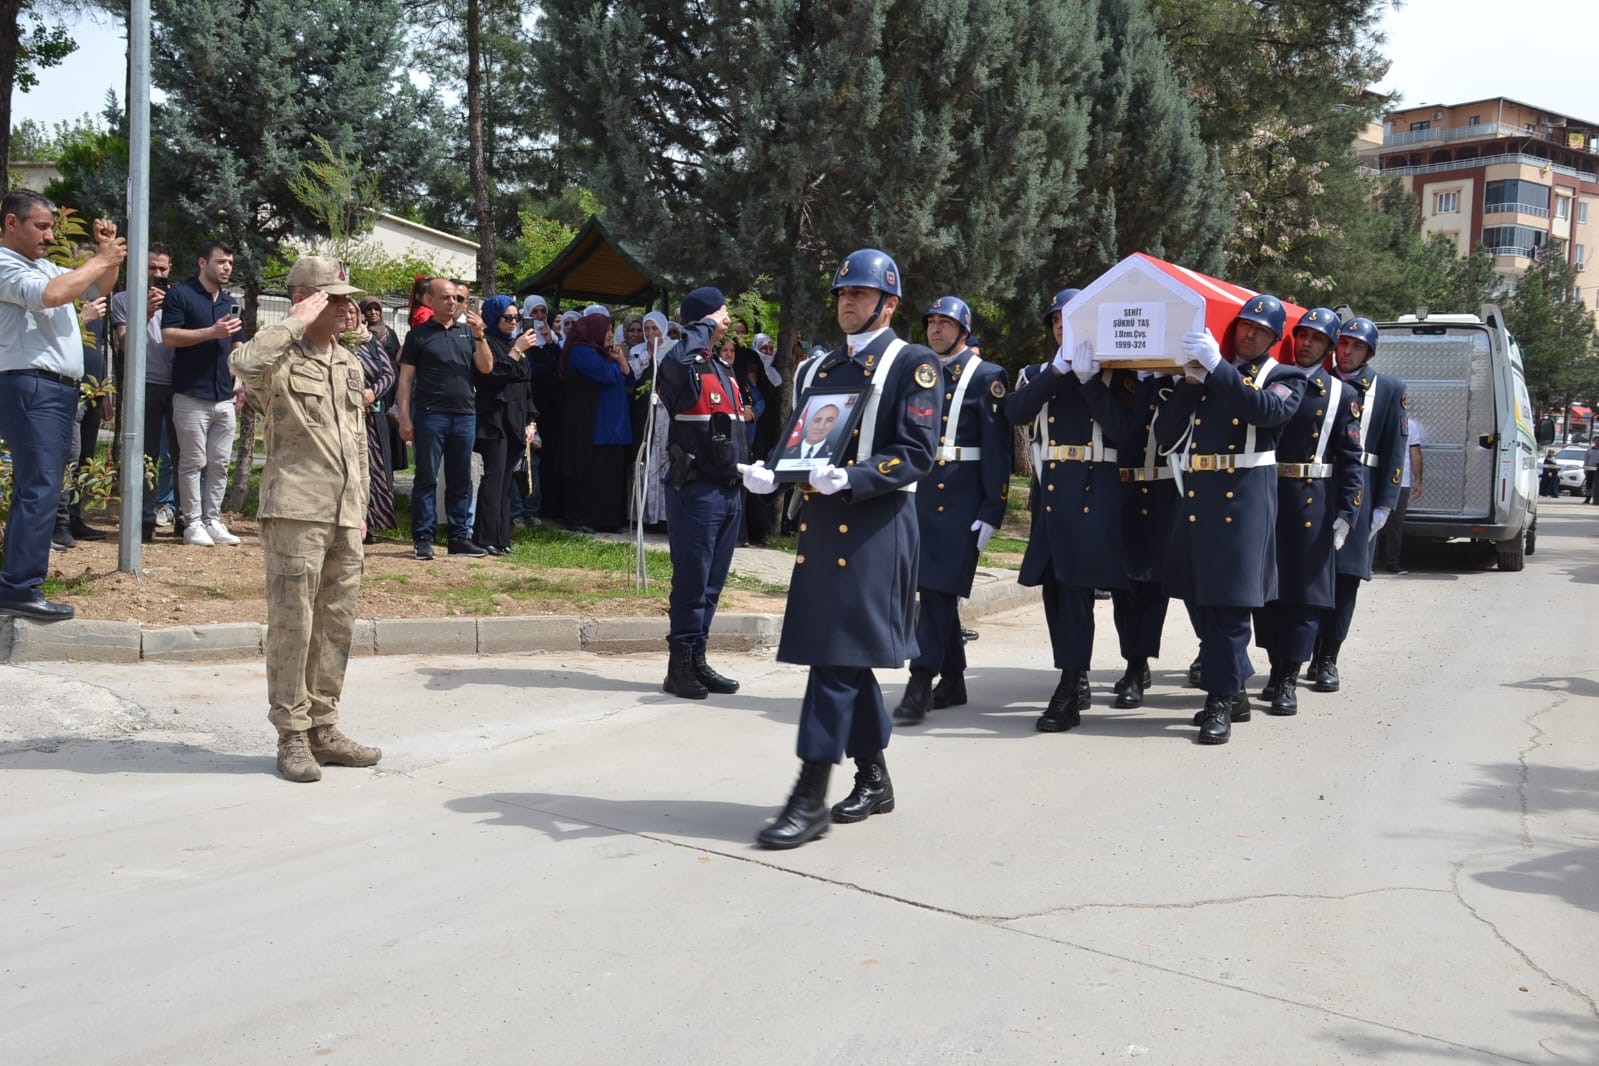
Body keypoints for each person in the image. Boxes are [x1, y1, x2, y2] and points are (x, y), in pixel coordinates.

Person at [738, 247, 940, 850]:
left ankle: (809, 794)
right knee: (844, 658)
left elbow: (917, 453)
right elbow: (805, 438)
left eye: (859, 293)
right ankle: (874, 777)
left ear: (889, 302)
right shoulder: (819, 369)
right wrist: (774, 472)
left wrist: (856, 477)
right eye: (842, 294)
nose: (846, 302)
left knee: (832, 660)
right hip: (824, 525)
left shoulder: (913, 362)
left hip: (878, 527)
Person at [229, 255, 382, 783]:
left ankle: (324, 725)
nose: (348, 306)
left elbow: (356, 439)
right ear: (305, 299)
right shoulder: (277, 360)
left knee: (336, 622)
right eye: (334, 296)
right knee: (294, 622)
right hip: (296, 507)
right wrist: (294, 320)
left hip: (343, 511)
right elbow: (242, 364)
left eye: (346, 296)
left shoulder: (348, 361)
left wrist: (361, 505)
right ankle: (291, 734)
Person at [1154, 295, 1307, 744]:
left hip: (1243, 498)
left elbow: (1267, 412)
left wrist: (1216, 368)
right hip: (1200, 494)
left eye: (1261, 330)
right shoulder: (1209, 372)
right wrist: (1189, 383)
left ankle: (1219, 698)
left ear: (1274, 339)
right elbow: (1166, 434)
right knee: (1199, 596)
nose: (1249, 334)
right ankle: (1234, 680)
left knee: (1231, 604)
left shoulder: (1285, 377)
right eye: (1245, 325)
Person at [1005, 287, 1138, 730]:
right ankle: (1073, 672)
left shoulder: (1115, 374)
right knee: (1055, 588)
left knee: (1077, 588)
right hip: (1052, 489)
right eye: (1057, 321)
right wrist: (1057, 372)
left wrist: (1086, 382)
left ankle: (1069, 686)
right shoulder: (1036, 373)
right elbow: (1016, 412)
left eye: (1072, 319)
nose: (1064, 327)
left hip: (1093, 488)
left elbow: (1124, 433)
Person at [0, 190, 124, 621]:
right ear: (12, 223)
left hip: (53, 389)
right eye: (41, 226)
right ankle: (19, 587)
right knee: (39, 488)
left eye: (52, 225)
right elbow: (53, 295)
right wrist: (97, 260)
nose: (50, 235)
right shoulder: (5, 263)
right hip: (31, 386)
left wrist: (109, 259)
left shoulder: (43, 265)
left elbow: (95, 286)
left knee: (42, 486)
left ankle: (19, 583)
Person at [892, 295, 1010, 724]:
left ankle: (920, 680)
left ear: (963, 329)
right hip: (920, 495)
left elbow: (998, 450)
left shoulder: (987, 376)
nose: (935, 330)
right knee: (932, 591)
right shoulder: (919, 371)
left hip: (961, 500)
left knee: (939, 592)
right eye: (931, 323)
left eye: (945, 323)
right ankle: (955, 679)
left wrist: (994, 507)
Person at [1251, 308, 1363, 716]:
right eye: (1302, 335)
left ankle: (1287, 679)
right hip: (1266, 493)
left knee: (1303, 597)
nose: (1306, 343)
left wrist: (1348, 512)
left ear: (1330, 347)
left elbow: (1352, 459)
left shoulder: (1340, 395)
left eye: (1317, 338)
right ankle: (1275, 665)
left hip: (1313, 499)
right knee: (1266, 594)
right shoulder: (1272, 379)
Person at [656, 288, 748, 699]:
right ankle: (678, 667)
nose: (727, 320)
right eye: (721, 313)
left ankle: (697, 657)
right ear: (701, 321)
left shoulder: (721, 369)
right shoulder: (683, 364)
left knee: (712, 583)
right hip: (696, 489)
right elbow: (675, 364)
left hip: (728, 489)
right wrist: (702, 327)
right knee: (692, 580)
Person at [1307, 317, 1407, 694]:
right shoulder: (1317, 380)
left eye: (1357, 347)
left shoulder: (1389, 389)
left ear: (1369, 353)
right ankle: (1300, 653)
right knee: (1309, 574)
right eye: (1344, 344)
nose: (1347, 352)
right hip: (1317, 485)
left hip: (1360, 492)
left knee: (1345, 580)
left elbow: (1395, 449)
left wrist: (1385, 503)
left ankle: (1328, 657)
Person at [396, 277, 493, 559]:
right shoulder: (418, 335)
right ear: (431, 301)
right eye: (446, 298)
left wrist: (480, 335)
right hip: (430, 415)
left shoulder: (469, 333)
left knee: (461, 479)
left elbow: (486, 368)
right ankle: (423, 538)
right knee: (426, 477)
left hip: (465, 416)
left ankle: (459, 537)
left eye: (457, 298)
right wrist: (404, 416)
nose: (453, 302)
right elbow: (406, 379)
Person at [161, 239, 246, 547]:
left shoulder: (230, 302)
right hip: (190, 395)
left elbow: (238, 343)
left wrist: (241, 381)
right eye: (221, 261)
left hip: (224, 397)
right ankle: (191, 523)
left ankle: (213, 520)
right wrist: (211, 332)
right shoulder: (180, 296)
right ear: (202, 262)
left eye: (230, 263)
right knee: (192, 461)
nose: (226, 267)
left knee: (220, 462)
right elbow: (169, 336)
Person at [1108, 364, 1182, 710]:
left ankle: (1137, 666)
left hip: (1161, 488)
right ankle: (1133, 658)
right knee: (1121, 584)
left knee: (1150, 584)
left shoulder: (1174, 380)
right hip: (1116, 487)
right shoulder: (1109, 378)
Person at [112, 244, 175, 542]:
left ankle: (185, 518)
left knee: (183, 456)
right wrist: (147, 311)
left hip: (179, 385)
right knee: (145, 455)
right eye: (152, 268)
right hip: (144, 385)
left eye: (163, 269)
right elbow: (125, 344)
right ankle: (143, 520)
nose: (157, 274)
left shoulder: (179, 300)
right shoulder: (123, 301)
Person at [472, 294, 537, 555]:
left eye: (516, 318)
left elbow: (526, 386)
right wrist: (517, 350)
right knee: (494, 478)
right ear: (493, 318)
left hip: (516, 421)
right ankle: (484, 536)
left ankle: (501, 537)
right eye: (507, 318)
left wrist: (531, 421)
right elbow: (494, 374)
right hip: (495, 420)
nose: (513, 322)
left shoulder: (516, 345)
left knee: (507, 481)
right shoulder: (489, 344)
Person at [557, 311, 633, 532]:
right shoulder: (581, 351)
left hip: (614, 423)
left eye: (611, 330)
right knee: (592, 472)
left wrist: (621, 362)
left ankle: (606, 519)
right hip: (591, 422)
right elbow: (606, 374)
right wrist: (618, 362)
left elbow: (629, 378)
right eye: (607, 330)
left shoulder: (604, 353)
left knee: (610, 472)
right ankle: (583, 518)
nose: (610, 335)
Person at [347, 301, 397, 539]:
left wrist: (372, 393)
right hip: (345, 416)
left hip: (372, 417)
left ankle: (371, 522)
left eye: (353, 312)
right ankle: (350, 521)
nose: (349, 317)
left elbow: (389, 373)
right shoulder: (336, 342)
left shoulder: (370, 342)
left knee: (374, 470)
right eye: (344, 312)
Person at [629, 310, 671, 531]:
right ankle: (645, 516)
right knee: (646, 458)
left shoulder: (673, 350)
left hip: (666, 415)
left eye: (655, 328)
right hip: (645, 412)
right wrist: (648, 354)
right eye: (647, 329)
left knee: (663, 458)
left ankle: (664, 516)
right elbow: (633, 377)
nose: (650, 333)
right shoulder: (638, 352)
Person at [361, 296, 406, 474]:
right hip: (372, 389)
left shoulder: (390, 333)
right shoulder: (359, 334)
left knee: (390, 427)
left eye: (376, 309)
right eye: (369, 309)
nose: (373, 313)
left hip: (391, 389)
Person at [1379, 415, 1424, 572]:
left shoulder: (1407, 424)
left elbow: (1415, 454)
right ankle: (1389, 563)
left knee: (1383, 523)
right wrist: (1418, 480)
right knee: (1393, 525)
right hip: (1395, 481)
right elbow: (1416, 454)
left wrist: (1417, 480)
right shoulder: (1408, 424)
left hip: (1387, 481)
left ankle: (1378, 563)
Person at [1583, 440, 1598, 505]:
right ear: (1594, 441)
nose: (1598, 442)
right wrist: (1585, 468)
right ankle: (1587, 498)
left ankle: (1596, 499)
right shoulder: (1589, 450)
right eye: (1597, 440)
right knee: (1589, 484)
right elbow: (1586, 460)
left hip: (1598, 470)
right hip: (1590, 469)